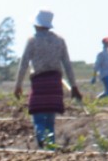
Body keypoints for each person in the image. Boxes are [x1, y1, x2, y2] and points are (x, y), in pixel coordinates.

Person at [14, 10, 82, 150]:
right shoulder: (59, 40)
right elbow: (67, 64)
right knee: (50, 119)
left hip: (39, 82)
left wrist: (18, 85)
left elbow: (24, 63)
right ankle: (50, 147)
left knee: (38, 116)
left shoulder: (32, 40)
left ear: (37, 25)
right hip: (54, 83)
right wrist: (74, 86)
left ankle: (43, 144)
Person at [92, 37, 108, 101]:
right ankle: (97, 99)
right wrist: (94, 76)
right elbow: (96, 66)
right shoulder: (101, 53)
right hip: (104, 74)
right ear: (104, 43)